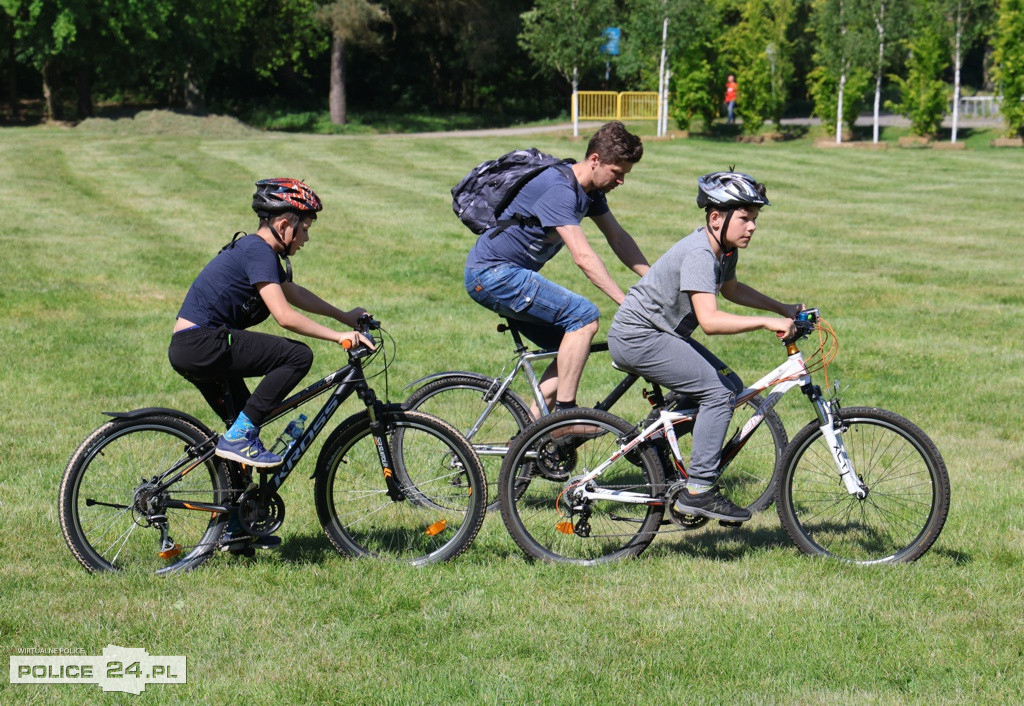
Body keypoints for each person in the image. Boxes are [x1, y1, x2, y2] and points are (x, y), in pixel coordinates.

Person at [607, 171, 802, 522]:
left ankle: (651, 443)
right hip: (638, 337)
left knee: (730, 385)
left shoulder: (723, 251)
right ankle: (699, 490)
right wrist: (765, 322)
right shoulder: (700, 253)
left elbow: (732, 290)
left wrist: (782, 308)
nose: (752, 227)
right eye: (744, 218)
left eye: (754, 219)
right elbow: (710, 322)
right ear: (716, 218)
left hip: (659, 334)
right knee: (717, 393)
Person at [168, 178, 374, 471]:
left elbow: (293, 292)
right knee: (297, 356)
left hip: (193, 348)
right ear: (284, 224)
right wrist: (338, 336)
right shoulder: (258, 251)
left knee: (243, 439)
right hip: (204, 343)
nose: (305, 239)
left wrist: (344, 315)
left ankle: (235, 511)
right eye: (304, 229)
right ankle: (240, 437)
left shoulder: (258, 253)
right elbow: (285, 316)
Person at [463, 121, 650, 418]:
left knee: (571, 347)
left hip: (504, 274)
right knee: (584, 318)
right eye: (617, 173)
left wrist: (651, 279)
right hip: (493, 274)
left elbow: (618, 237)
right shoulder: (559, 189)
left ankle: (529, 436)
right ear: (595, 160)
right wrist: (626, 303)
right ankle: (565, 415)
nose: (621, 181)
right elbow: (584, 257)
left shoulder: (589, 193)